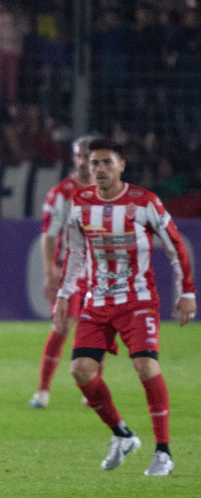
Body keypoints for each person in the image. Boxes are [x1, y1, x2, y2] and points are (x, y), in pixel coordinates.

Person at [54, 139, 196, 476]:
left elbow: (176, 246)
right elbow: (75, 254)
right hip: (98, 301)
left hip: (138, 300)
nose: (98, 168)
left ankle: (163, 452)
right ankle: (121, 434)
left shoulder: (145, 202)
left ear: (122, 165)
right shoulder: (80, 204)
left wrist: (187, 291)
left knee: (146, 366)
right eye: (93, 163)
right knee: (81, 370)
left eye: (106, 162)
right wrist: (64, 294)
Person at [30, 135, 95, 408]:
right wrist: (49, 271)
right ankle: (43, 391)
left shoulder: (109, 191)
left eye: (88, 157)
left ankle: (91, 393)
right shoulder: (62, 193)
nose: (83, 162)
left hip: (99, 272)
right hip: (70, 270)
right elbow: (48, 235)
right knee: (61, 327)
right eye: (79, 156)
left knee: (95, 329)